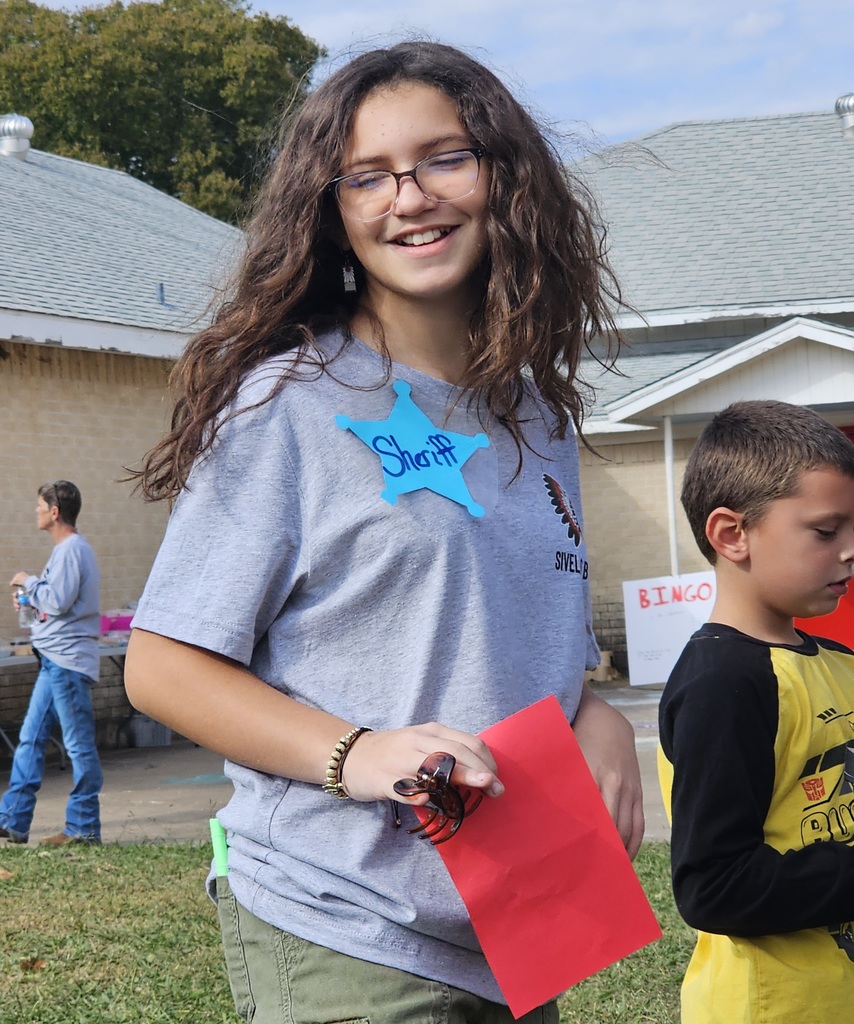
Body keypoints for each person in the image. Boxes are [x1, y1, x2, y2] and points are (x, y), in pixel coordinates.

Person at [124, 40, 643, 1024]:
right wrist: (355, 751)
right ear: (332, 211)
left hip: (514, 922)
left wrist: (593, 711)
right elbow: (162, 664)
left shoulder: (537, 418)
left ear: (502, 177)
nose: (408, 197)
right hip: (340, 916)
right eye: (366, 175)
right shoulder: (289, 402)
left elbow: (520, 641)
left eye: (443, 158)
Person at [658, 400, 854, 1024]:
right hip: (774, 1009)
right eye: (826, 532)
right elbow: (713, 886)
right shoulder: (724, 681)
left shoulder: (840, 660)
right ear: (731, 534)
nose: (851, 550)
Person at [0, 480, 102, 847]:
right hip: (53, 660)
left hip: (68, 662)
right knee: (29, 739)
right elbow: (54, 603)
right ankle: (13, 820)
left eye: (40, 506)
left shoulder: (72, 549)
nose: (36, 511)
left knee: (78, 746)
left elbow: (57, 601)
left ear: (55, 511)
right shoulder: (65, 551)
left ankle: (84, 827)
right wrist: (30, 601)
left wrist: (29, 581)